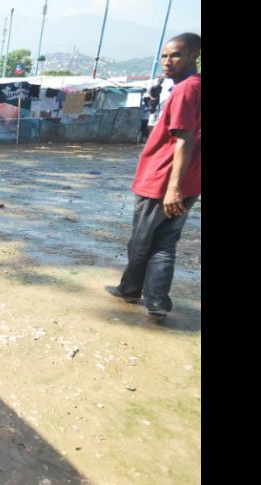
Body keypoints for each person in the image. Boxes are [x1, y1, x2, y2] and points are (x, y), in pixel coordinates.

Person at [105, 33, 201, 321]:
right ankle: (150, 298)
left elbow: (183, 140)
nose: (167, 62)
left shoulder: (185, 90)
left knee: (141, 242)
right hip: (188, 180)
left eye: (176, 55)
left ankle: (137, 292)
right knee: (164, 242)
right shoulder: (194, 87)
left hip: (163, 180)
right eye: (164, 55)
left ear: (193, 56)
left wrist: (173, 187)